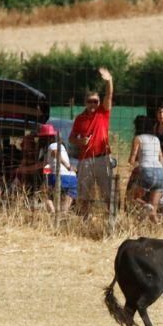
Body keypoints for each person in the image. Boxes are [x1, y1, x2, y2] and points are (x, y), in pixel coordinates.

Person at [69, 67, 114, 215]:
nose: (93, 104)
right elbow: (71, 138)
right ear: (85, 103)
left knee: (108, 194)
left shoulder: (103, 113)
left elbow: (109, 94)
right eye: (90, 101)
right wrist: (80, 142)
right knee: (84, 195)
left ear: (99, 102)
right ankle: (84, 222)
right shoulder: (79, 118)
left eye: (95, 101)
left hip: (102, 158)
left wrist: (109, 81)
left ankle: (113, 222)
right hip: (85, 160)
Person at [126, 121, 163, 222]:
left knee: (131, 198)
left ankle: (145, 205)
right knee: (153, 211)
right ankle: (157, 230)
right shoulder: (156, 139)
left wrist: (135, 166)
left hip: (146, 171)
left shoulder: (138, 138)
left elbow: (132, 159)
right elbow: (161, 157)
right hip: (160, 172)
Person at [39, 123, 77, 213]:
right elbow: (47, 165)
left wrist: (67, 166)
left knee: (44, 193)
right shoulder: (62, 146)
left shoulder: (52, 146)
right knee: (69, 195)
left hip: (60, 176)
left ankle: (52, 212)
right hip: (72, 178)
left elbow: (55, 153)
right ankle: (62, 216)